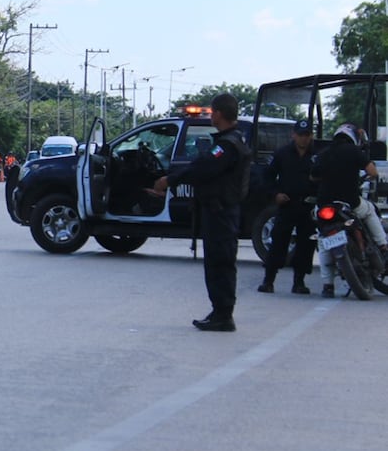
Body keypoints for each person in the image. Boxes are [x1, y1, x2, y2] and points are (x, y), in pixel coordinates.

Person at [151, 93, 250, 332]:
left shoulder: (227, 145)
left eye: (212, 112)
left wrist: (170, 179)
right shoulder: (233, 140)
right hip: (220, 211)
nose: (210, 116)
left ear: (217, 113)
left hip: (221, 213)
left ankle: (223, 315)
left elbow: (203, 168)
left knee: (220, 264)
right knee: (218, 263)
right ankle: (220, 312)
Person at [310, 123, 388, 298]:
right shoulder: (354, 152)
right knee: (369, 211)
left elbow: (313, 176)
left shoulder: (323, 154)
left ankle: (328, 285)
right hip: (350, 204)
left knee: (323, 240)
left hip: (325, 206)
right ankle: (383, 246)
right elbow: (372, 172)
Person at [257, 119, 317, 295]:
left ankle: (299, 282)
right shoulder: (282, 154)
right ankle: (268, 280)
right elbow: (267, 177)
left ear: (311, 136)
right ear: (294, 135)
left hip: (308, 206)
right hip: (287, 204)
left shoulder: (317, 156)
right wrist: (275, 194)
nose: (303, 139)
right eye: (300, 135)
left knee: (306, 245)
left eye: (307, 135)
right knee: (278, 242)